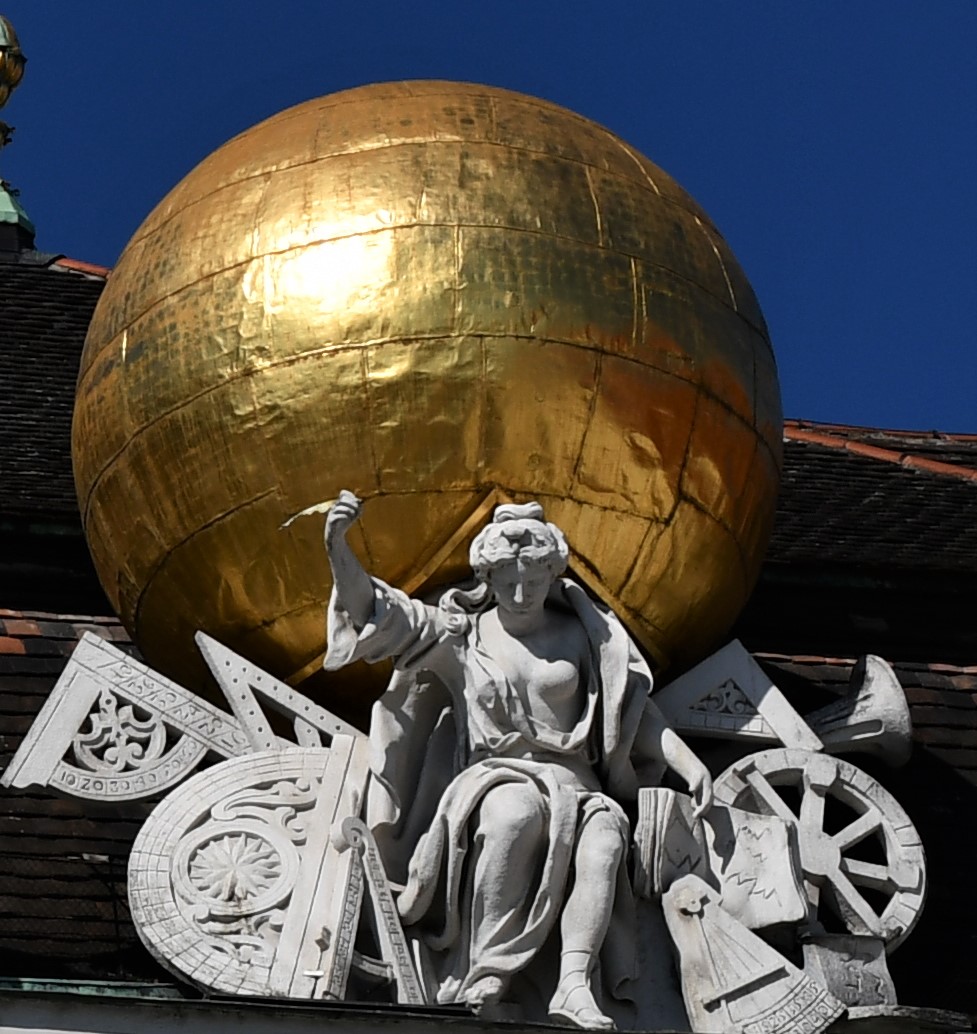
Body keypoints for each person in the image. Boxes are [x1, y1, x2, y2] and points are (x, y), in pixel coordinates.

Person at [323, 490, 712, 1029]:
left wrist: (689, 763)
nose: (522, 592)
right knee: (514, 816)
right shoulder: (461, 635)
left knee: (604, 842)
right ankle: (486, 970)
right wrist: (338, 547)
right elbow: (379, 614)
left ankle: (574, 982)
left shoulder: (585, 636)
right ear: (489, 577)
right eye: (508, 581)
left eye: (534, 579)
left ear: (554, 573)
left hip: (578, 785)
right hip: (494, 778)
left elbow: (631, 712)